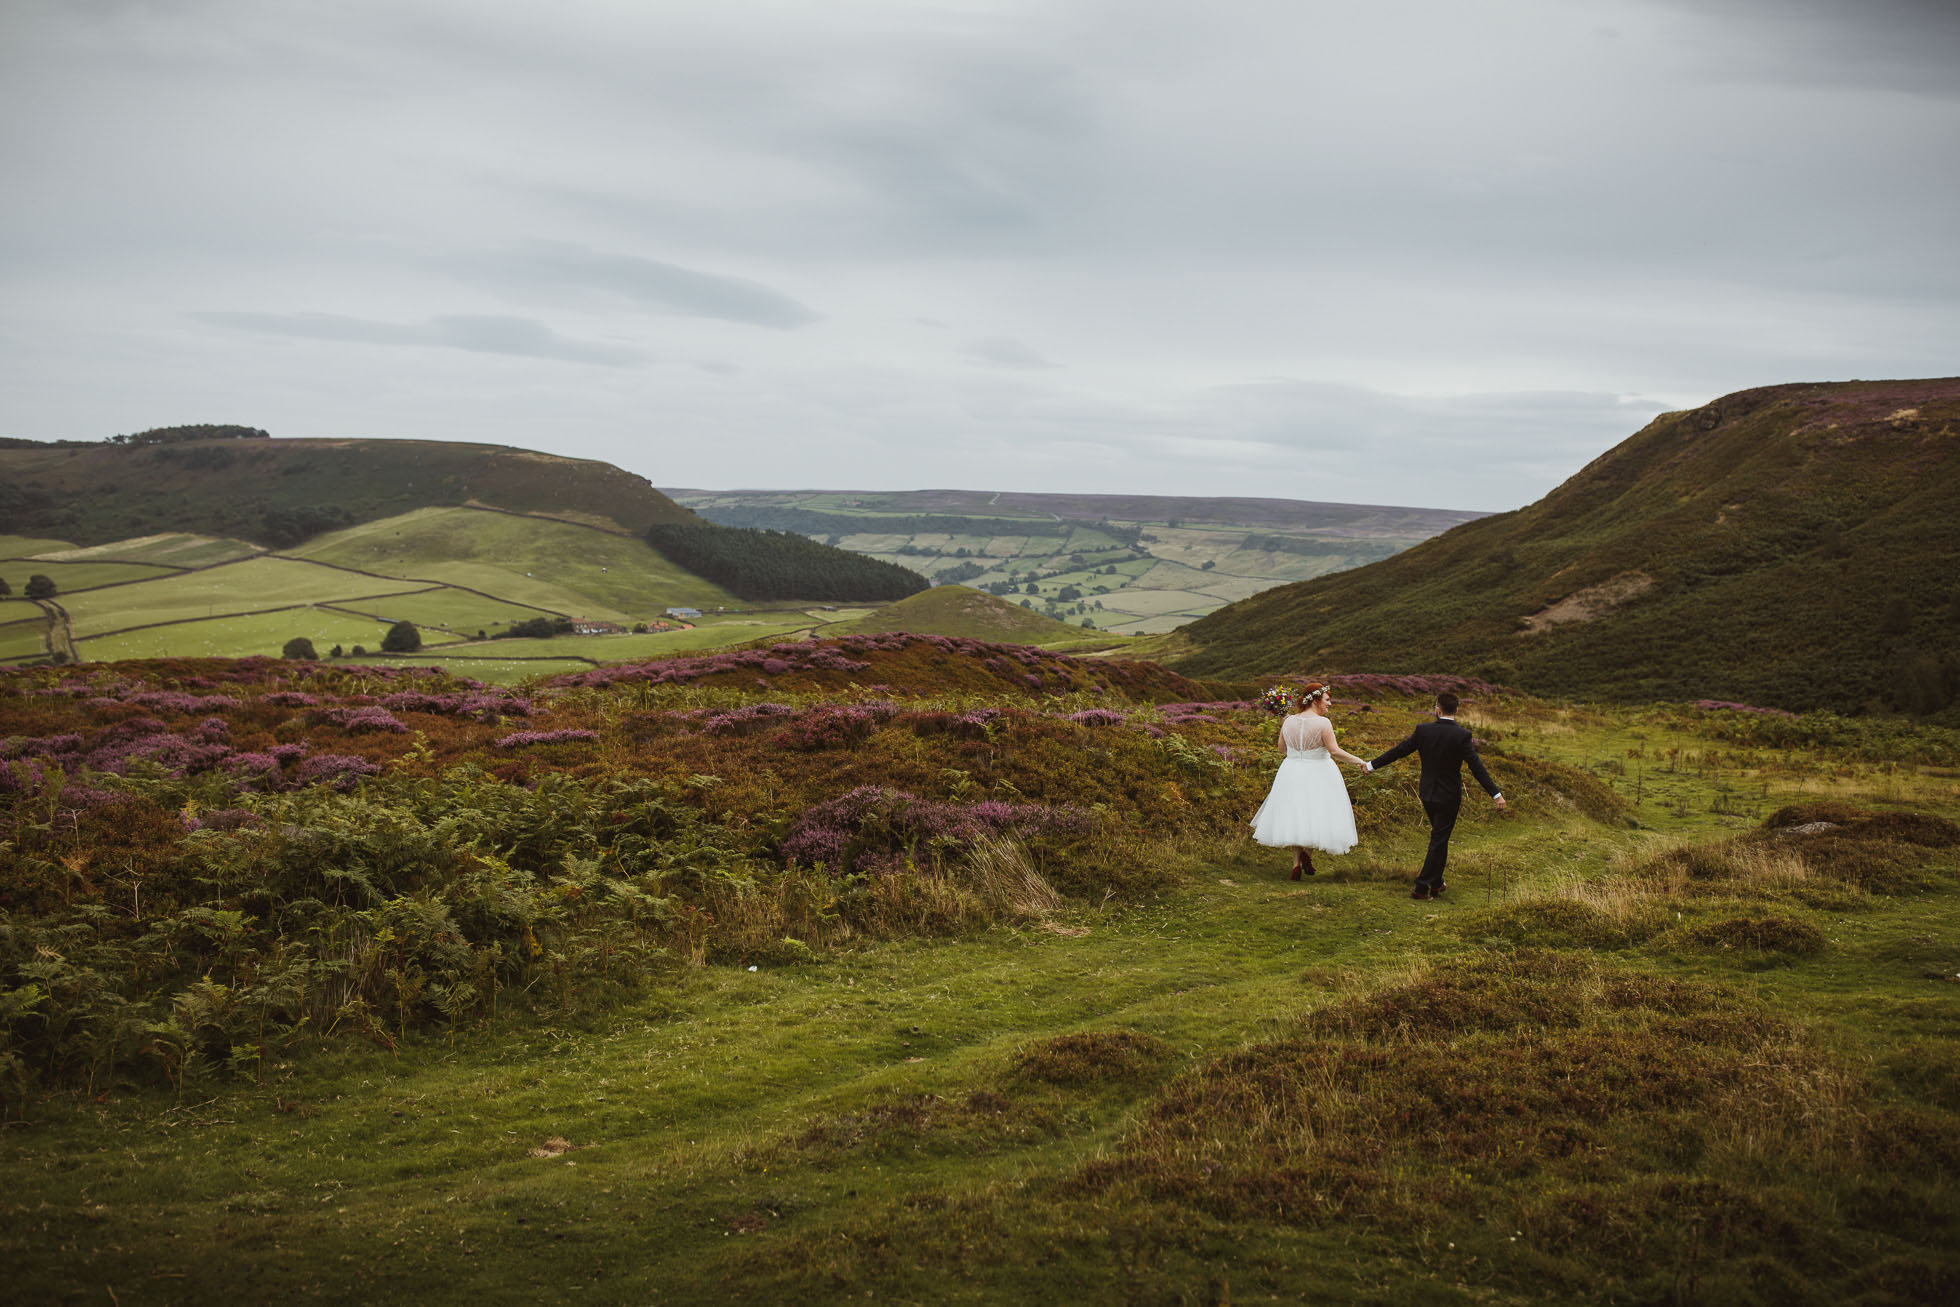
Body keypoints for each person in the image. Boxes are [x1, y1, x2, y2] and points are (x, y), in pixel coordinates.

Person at [1366, 690, 1506, 900]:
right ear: (1456, 710)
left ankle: (1437, 883)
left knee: (1440, 838)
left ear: (1438, 709)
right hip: (1449, 796)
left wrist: (1371, 765)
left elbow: (1399, 751)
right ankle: (1422, 887)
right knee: (1439, 838)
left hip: (1427, 793)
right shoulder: (1462, 735)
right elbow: (1477, 768)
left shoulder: (1423, 731)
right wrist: (1495, 794)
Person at [1249, 683, 1370, 879]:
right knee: (1316, 814)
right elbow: (1334, 751)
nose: (1330, 704)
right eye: (1327, 700)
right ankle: (1307, 855)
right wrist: (1360, 761)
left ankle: (1296, 866)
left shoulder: (1288, 721)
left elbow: (1281, 748)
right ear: (1315, 701)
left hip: (1291, 771)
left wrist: (1298, 756)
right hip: (1320, 771)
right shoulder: (1323, 723)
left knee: (1297, 815)